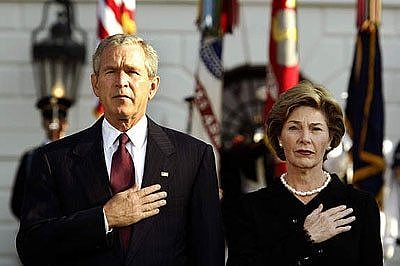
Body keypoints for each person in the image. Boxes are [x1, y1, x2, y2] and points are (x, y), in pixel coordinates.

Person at [16, 34, 225, 266]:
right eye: (110, 71)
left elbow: (209, 254)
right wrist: (104, 218)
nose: (121, 81)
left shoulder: (193, 157)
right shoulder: (53, 159)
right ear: (95, 84)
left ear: (153, 86)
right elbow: (31, 247)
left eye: (132, 72)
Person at [226, 80, 383, 266]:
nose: (305, 139)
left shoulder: (360, 205)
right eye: (294, 128)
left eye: (316, 129)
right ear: (279, 137)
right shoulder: (250, 208)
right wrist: (304, 239)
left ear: (330, 139)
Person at [10, 99, 69, 220]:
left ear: (66, 122)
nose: (54, 122)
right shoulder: (30, 157)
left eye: (60, 116)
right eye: (49, 117)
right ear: (43, 122)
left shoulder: (78, 154)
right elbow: (17, 202)